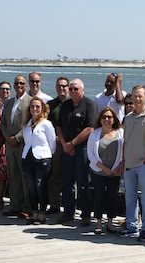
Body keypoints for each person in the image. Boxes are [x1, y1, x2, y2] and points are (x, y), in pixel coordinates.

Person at [117, 85, 145, 241]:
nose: (137, 99)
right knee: (130, 197)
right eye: (135, 96)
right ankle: (131, 226)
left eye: (140, 96)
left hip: (143, 165)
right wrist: (123, 161)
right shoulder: (128, 118)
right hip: (129, 165)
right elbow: (125, 141)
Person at [56, 78, 97, 226]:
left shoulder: (89, 105)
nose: (73, 91)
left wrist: (73, 144)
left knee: (82, 182)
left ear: (82, 90)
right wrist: (64, 144)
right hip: (66, 147)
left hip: (82, 148)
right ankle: (68, 212)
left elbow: (90, 128)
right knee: (67, 182)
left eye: (76, 89)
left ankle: (85, 214)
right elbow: (59, 126)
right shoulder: (66, 105)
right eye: (71, 89)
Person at [87, 106, 123, 235]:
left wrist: (117, 168)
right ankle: (98, 223)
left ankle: (110, 223)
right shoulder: (94, 133)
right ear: (100, 119)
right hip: (98, 171)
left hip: (115, 172)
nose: (106, 119)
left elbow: (124, 153)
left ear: (114, 119)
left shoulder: (120, 133)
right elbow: (90, 154)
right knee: (99, 196)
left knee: (112, 197)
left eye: (109, 117)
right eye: (104, 117)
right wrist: (104, 169)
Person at [0, 75, 31, 218]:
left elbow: (30, 124)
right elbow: (3, 122)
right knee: (13, 177)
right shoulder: (8, 103)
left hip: (23, 144)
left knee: (25, 177)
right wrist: (8, 138)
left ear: (26, 85)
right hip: (10, 145)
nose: (19, 85)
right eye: (16, 83)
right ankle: (15, 205)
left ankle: (27, 207)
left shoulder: (30, 102)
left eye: (22, 83)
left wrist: (17, 138)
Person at [21, 97, 56, 224]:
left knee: (40, 186)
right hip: (27, 158)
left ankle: (42, 213)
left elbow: (52, 143)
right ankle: (34, 212)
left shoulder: (46, 124)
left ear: (42, 108)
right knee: (31, 187)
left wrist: (47, 155)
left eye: (37, 106)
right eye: (32, 106)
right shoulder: (27, 123)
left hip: (42, 159)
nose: (34, 109)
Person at [47, 76, 69, 214]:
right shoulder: (50, 105)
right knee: (54, 177)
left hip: (70, 145)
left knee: (69, 178)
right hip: (55, 146)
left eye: (64, 86)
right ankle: (54, 205)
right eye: (59, 86)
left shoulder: (73, 103)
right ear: (56, 88)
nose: (62, 88)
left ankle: (69, 206)